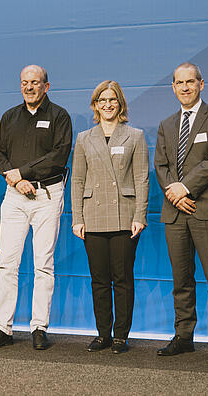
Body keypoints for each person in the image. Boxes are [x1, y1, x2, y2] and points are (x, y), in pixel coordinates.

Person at [0, 65, 72, 350]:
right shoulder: (9, 116)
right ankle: (3, 327)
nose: (29, 87)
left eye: (35, 82)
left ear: (47, 86)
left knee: (42, 264)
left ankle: (39, 327)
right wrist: (15, 178)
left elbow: (59, 156)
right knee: (6, 263)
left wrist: (23, 172)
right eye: (24, 82)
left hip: (47, 195)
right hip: (15, 197)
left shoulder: (60, 116)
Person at [154, 63, 208, 362]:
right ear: (173, 87)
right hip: (175, 213)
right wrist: (174, 193)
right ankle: (184, 336)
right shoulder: (166, 124)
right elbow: (161, 165)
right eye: (179, 82)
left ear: (202, 84)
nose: (185, 87)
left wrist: (184, 188)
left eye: (190, 81)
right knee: (181, 280)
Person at [70, 80, 149, 354]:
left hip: (124, 216)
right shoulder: (83, 138)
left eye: (112, 99)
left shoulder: (135, 135)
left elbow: (141, 178)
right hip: (92, 216)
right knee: (99, 279)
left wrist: (140, 214)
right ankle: (103, 333)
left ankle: (120, 336)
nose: (107, 104)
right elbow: (77, 180)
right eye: (101, 100)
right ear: (95, 105)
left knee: (123, 277)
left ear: (120, 104)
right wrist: (76, 218)